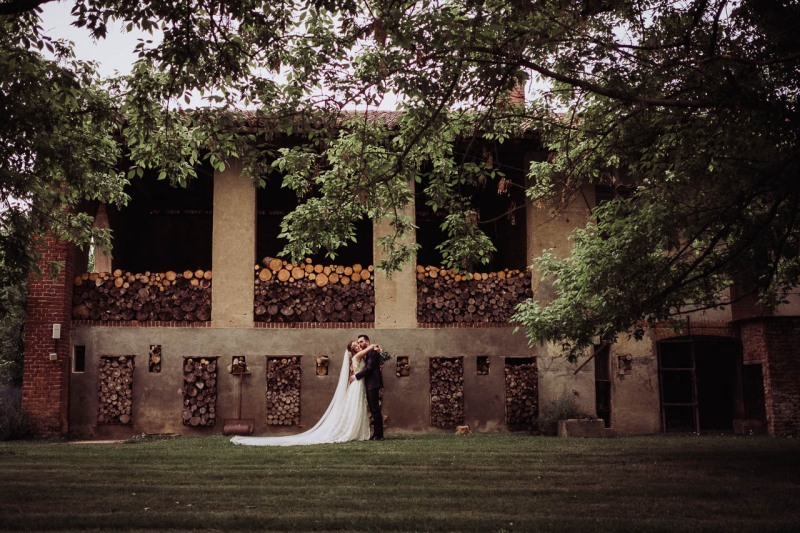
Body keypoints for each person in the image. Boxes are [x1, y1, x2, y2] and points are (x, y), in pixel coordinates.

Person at [230, 341, 373, 446]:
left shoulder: (358, 357)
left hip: (357, 382)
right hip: (357, 384)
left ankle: (356, 431)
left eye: (358, 344)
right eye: (355, 345)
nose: (358, 345)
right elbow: (370, 349)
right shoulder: (357, 356)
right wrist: (375, 347)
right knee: (355, 406)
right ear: (352, 350)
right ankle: (352, 431)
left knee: (357, 406)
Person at [349, 334, 384, 440]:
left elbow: (369, 368)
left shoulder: (373, 351)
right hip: (369, 384)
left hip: (373, 384)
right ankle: (377, 434)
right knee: (374, 410)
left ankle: (379, 435)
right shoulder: (367, 352)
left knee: (375, 410)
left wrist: (356, 376)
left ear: (367, 341)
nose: (359, 344)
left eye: (361, 342)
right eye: (358, 343)